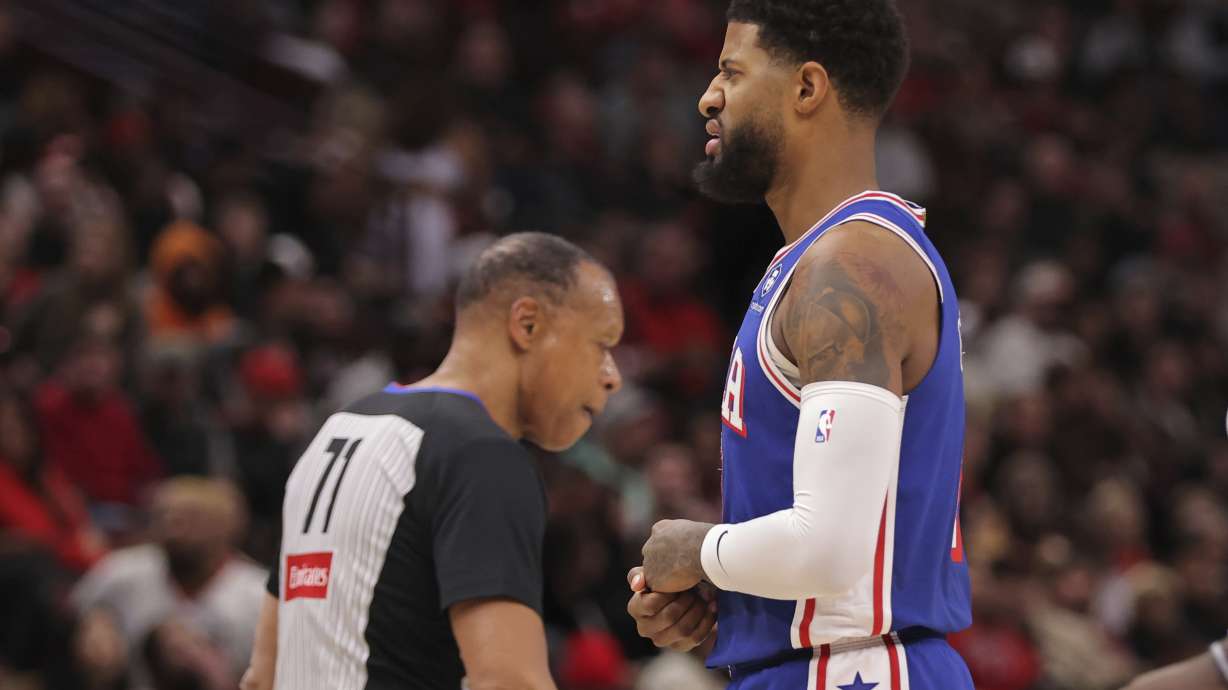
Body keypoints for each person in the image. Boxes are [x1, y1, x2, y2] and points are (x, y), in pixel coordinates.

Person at [628, 2, 974, 689]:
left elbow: (830, 547)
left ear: (807, 89)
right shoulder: (815, 261)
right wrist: (727, 597)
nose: (708, 95)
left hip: (859, 672)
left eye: (731, 70)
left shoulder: (851, 267)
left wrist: (695, 548)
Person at [242, 233, 626, 690]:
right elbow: (507, 680)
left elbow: (261, 677)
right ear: (527, 325)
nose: (612, 377)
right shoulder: (481, 455)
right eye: (601, 344)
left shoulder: (338, 430)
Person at [72, 477, 267, 688]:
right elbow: (73, 612)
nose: (174, 526)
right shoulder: (123, 571)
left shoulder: (260, 595)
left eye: (191, 517)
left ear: (227, 527)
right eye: (164, 516)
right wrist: (96, 622)